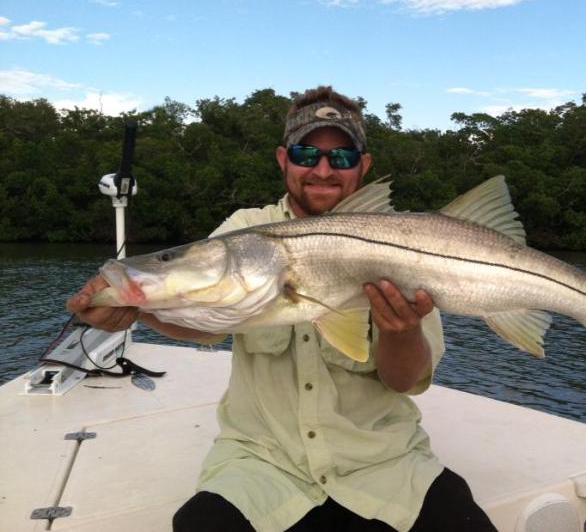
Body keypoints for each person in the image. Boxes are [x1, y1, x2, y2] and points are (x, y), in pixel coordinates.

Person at [67, 86, 496, 532]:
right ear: (282, 158)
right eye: (306, 153)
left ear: (363, 166)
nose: (323, 170)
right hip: (261, 464)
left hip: (385, 462)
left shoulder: (410, 245)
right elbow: (204, 322)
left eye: (342, 158)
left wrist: (402, 332)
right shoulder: (245, 231)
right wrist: (140, 307)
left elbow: (405, 381)